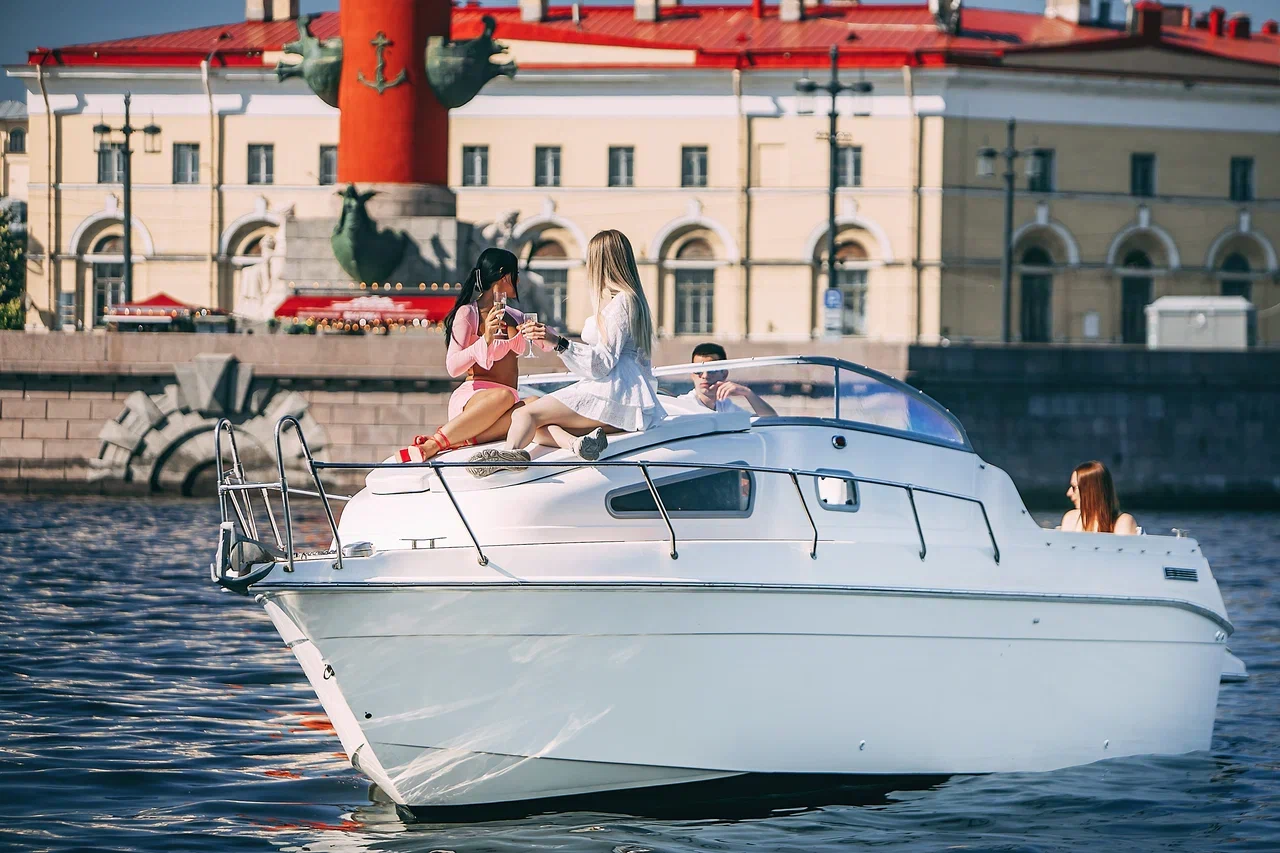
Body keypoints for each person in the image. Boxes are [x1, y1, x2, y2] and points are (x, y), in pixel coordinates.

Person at [467, 229, 665, 476]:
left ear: (600, 262)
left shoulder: (622, 302)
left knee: (525, 413)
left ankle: (510, 454)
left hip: (613, 392)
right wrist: (555, 341)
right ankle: (576, 444)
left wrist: (559, 342)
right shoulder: (628, 300)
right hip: (624, 395)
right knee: (537, 421)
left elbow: (603, 363)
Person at [395, 247, 550, 463]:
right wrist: (485, 339)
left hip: (504, 404)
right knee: (505, 395)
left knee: (535, 404)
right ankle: (433, 444)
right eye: (516, 274)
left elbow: (548, 343)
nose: (519, 280)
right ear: (504, 276)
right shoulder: (468, 313)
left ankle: (461, 439)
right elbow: (453, 367)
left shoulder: (516, 316)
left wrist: (547, 336)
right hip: (474, 400)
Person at [672, 342, 777, 417]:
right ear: (692, 374)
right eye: (698, 370)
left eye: (711, 370)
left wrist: (747, 393)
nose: (705, 376)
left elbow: (771, 420)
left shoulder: (725, 405)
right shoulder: (681, 406)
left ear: (724, 374)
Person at [1060, 460, 1139, 535]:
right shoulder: (1070, 519)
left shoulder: (1123, 522)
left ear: (1091, 490)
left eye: (1074, 487)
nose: (1068, 493)